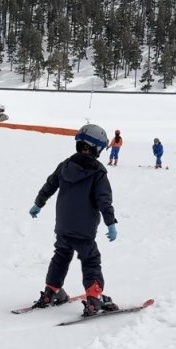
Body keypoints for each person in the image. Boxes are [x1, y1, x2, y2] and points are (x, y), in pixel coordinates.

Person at [28, 124, 119, 317]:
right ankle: (94, 297)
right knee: (90, 259)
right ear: (96, 148)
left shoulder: (65, 165)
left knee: (61, 255)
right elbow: (104, 200)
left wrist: (38, 204)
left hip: (63, 225)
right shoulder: (98, 172)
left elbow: (49, 185)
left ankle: (51, 291)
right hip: (84, 229)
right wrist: (110, 223)